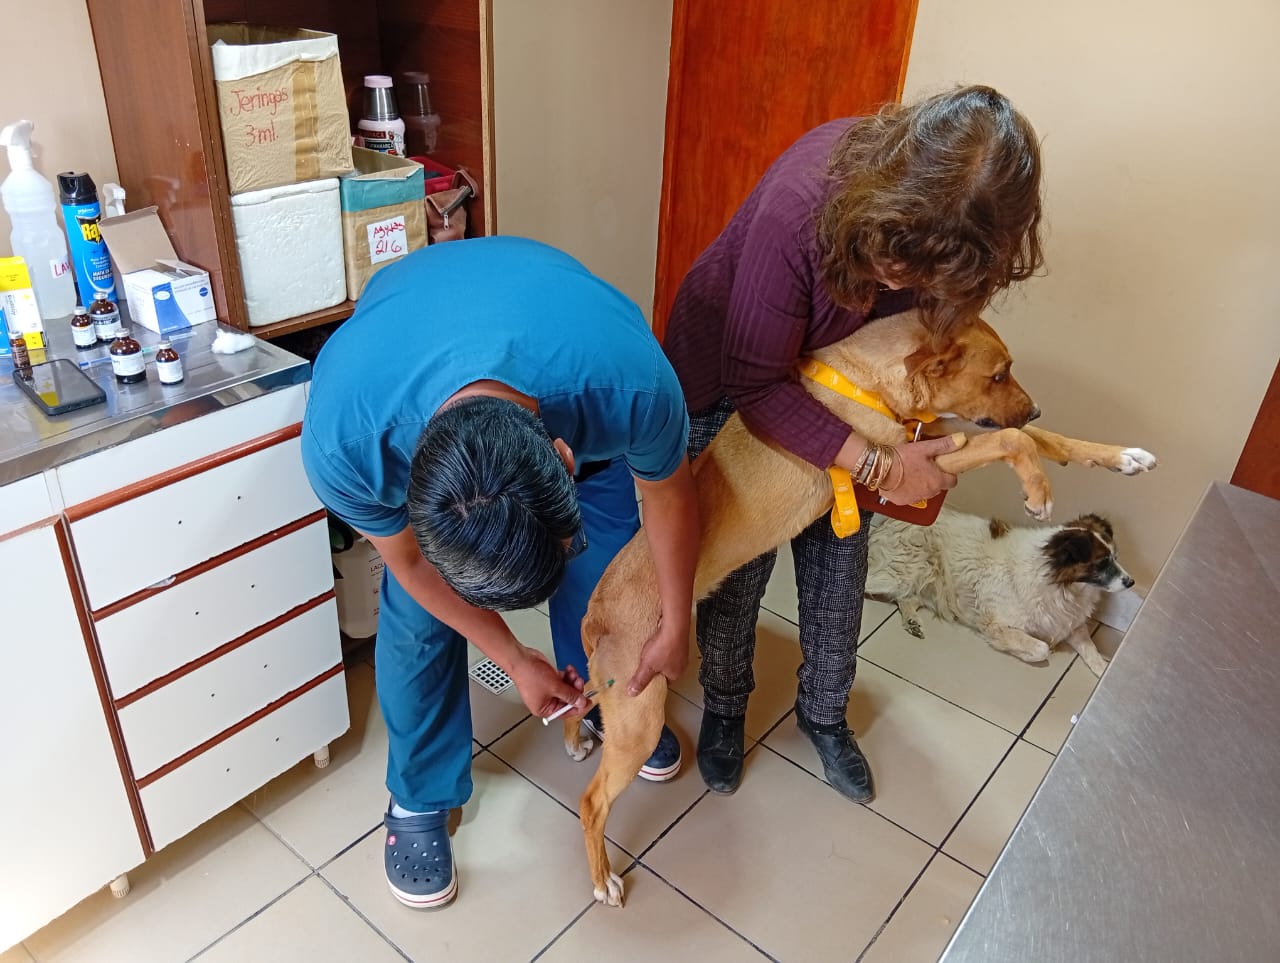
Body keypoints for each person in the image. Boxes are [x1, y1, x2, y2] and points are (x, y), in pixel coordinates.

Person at [663, 84, 1044, 802]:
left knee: (840, 566)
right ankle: (725, 703)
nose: (900, 283)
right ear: (888, 198)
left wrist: (908, 447)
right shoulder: (799, 208)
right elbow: (757, 385)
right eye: (896, 259)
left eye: (927, 274)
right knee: (737, 569)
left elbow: (924, 359)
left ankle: (824, 713)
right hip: (738, 380)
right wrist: (882, 465)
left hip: (846, 389)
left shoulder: (960, 242)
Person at [301, 236, 699, 909]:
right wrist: (512, 658)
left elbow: (669, 496)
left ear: (568, 458)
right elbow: (409, 562)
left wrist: (676, 619)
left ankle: (602, 700)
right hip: (402, 340)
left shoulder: (630, 383)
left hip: (561, 328)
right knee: (419, 618)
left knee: (609, 569)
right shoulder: (346, 444)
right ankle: (419, 793)